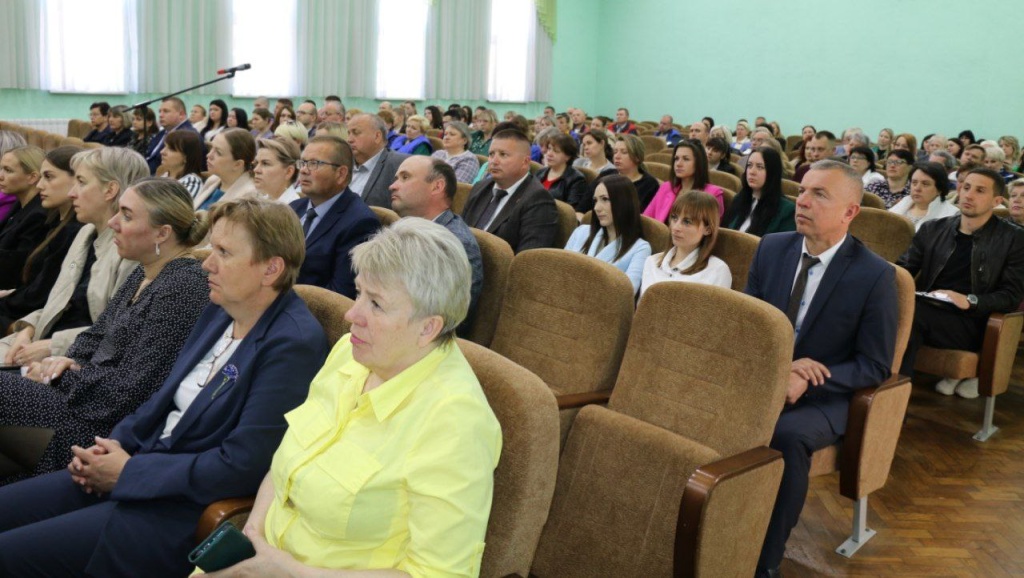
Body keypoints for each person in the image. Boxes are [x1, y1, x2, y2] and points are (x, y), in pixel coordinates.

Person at [0, 197, 328, 577]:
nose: (207, 263)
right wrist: (113, 446)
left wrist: (129, 472)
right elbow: (162, 401)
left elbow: (242, 465)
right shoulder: (220, 310)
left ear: (271, 269)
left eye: (223, 252)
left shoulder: (292, 344)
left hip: (176, 505)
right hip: (137, 465)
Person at [207, 219, 500, 577]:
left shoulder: (455, 425)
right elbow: (287, 461)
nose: (352, 315)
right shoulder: (351, 352)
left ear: (428, 327)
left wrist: (286, 570)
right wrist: (253, 537)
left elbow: (438, 574)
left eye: (375, 304)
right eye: (359, 292)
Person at [0, 177, 212, 481]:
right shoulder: (144, 270)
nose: (113, 222)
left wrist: (62, 378)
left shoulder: (182, 285)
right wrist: (62, 363)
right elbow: (93, 337)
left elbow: (134, 389)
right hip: (82, 402)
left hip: (103, 432)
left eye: (126, 215)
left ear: (162, 233)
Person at [748, 160, 898, 578]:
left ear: (851, 212)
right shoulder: (771, 247)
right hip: (769, 375)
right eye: (803, 190)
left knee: (786, 435)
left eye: (820, 195)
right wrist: (786, 367)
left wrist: (809, 377)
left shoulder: (875, 276)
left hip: (829, 394)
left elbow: (875, 364)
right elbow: (750, 324)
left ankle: (765, 559)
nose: (804, 201)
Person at [1, 148, 148, 367]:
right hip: (40, 343)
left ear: (110, 190)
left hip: (71, 361)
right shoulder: (85, 233)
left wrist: (52, 345)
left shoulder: (130, 251)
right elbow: (57, 304)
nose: (72, 193)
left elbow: (117, 332)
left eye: (81, 182)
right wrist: (28, 328)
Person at [897, 167, 1024, 398]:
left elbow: (1011, 296)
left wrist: (970, 300)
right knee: (887, 309)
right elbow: (902, 270)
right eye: (966, 187)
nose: (968, 195)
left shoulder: (1014, 239)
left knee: (909, 316)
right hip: (928, 307)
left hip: (972, 321)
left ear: (997, 201)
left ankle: (888, 402)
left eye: (979, 191)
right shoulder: (933, 229)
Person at [390, 156, 483, 330]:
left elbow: (445, 322)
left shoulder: (454, 245)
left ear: (437, 186)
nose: (393, 185)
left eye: (405, 177)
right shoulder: (401, 227)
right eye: (396, 178)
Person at [0, 146, 84, 331]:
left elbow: (39, 294)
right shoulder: (54, 220)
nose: (40, 185)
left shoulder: (67, 228)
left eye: (49, 177)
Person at [291, 136, 380, 298]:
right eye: (302, 162)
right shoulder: (294, 208)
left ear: (341, 174)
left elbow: (338, 296)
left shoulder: (360, 223)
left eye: (314, 163)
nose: (303, 170)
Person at [461, 129, 558, 253]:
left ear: (525, 162)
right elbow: (460, 233)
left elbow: (526, 261)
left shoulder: (539, 200)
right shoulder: (480, 187)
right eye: (491, 154)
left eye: (503, 154)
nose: (494, 161)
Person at [565, 174, 651, 292]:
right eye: (595, 201)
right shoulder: (581, 232)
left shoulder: (640, 248)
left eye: (605, 199)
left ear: (624, 202)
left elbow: (628, 293)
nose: (596, 208)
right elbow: (561, 271)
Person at [639, 190, 732, 296]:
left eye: (687, 222)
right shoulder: (651, 262)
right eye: (674, 218)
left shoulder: (717, 271)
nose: (676, 227)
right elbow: (642, 310)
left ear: (708, 229)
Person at [0, 146, 47, 291]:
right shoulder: (20, 204)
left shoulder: (37, 216)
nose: (1, 175)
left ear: (32, 177)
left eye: (8, 170)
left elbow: (15, 270)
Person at [644, 139, 725, 222]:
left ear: (699, 163)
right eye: (676, 158)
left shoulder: (713, 194)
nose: (678, 164)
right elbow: (647, 220)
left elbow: (710, 230)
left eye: (686, 159)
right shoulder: (666, 187)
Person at [723, 147, 796, 236]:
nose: (752, 172)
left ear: (772, 172)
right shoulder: (739, 198)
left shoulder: (786, 211)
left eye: (760, 167)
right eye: (749, 165)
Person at [346, 113, 409, 209]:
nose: (349, 139)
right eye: (348, 133)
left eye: (356, 133)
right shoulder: (343, 163)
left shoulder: (400, 165)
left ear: (377, 136)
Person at [194, 128, 259, 210]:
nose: (209, 155)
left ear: (238, 164)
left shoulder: (249, 196)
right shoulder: (213, 180)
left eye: (218, 152)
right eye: (211, 148)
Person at [889, 162, 960, 231]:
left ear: (939, 189)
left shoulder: (951, 216)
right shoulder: (904, 202)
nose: (917, 188)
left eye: (925, 184)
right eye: (914, 182)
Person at [536, 133, 588, 218]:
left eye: (556, 151)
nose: (549, 154)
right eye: (549, 149)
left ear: (567, 156)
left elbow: (570, 212)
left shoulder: (576, 179)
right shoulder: (539, 173)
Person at [145, 97, 199, 175]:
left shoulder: (188, 136)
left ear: (181, 114)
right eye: (160, 111)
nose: (160, 115)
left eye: (166, 111)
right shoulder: (163, 132)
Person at [613, 134, 660, 211]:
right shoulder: (607, 175)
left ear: (637, 157)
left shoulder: (650, 185)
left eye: (624, 152)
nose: (617, 156)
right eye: (615, 152)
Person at [158, 130, 205, 199]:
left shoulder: (192, 182)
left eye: (171, 149)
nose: (162, 152)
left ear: (186, 157)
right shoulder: (164, 175)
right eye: (165, 146)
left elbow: (176, 209)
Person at [253, 137, 301, 204]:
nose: (256, 170)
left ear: (289, 172)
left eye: (265, 163)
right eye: (256, 163)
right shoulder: (259, 203)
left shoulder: (295, 210)